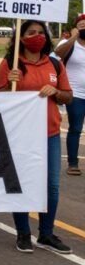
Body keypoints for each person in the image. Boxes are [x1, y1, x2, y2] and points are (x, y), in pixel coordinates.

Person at [0, 19, 73, 254]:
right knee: (21, 185)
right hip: (20, 135)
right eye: (31, 32)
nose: (37, 36)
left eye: (41, 32)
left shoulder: (55, 64)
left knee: (51, 186)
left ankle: (46, 234)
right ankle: (23, 233)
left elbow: (68, 96)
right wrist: (9, 84)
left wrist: (56, 92)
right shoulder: (10, 64)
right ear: (20, 38)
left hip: (49, 133)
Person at [55, 14, 85, 176]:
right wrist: (74, 37)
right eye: (81, 26)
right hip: (76, 95)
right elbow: (58, 53)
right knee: (75, 128)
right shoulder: (70, 45)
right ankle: (73, 163)